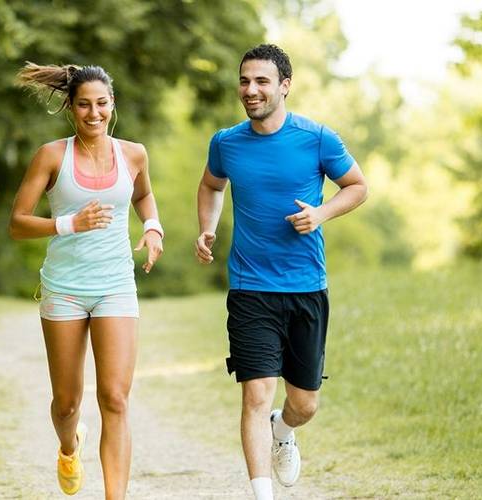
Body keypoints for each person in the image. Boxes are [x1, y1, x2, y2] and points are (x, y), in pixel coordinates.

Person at [194, 44, 368, 500]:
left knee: (304, 404)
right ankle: (261, 494)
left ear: (284, 86)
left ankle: (284, 430)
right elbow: (212, 184)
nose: (250, 90)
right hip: (250, 289)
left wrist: (322, 214)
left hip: (306, 287)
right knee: (256, 395)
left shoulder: (317, 139)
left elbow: (357, 186)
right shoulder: (225, 142)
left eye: (261, 81)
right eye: (245, 81)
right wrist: (207, 228)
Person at [9, 62, 164, 499]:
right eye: (84, 105)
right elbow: (18, 223)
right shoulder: (52, 155)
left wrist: (153, 227)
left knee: (115, 398)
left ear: (112, 105)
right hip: (64, 289)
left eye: (101, 104)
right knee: (68, 403)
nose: (93, 113)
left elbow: (143, 194)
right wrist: (68, 224)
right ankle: (67, 445)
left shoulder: (133, 154)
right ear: (71, 109)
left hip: (116, 284)